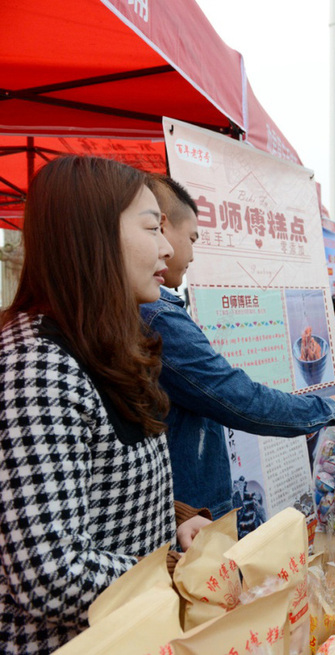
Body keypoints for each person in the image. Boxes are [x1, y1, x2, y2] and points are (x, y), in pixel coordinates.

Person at [0, 156, 209, 652]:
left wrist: (176, 520)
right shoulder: (37, 368)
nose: (167, 246)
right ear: (91, 236)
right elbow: (50, 572)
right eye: (152, 227)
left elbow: (93, 488)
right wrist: (176, 571)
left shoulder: (99, 342)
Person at [139, 176, 335, 520]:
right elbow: (235, 395)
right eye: (192, 238)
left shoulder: (154, 309)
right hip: (191, 512)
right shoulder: (157, 316)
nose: (178, 252)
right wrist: (322, 409)